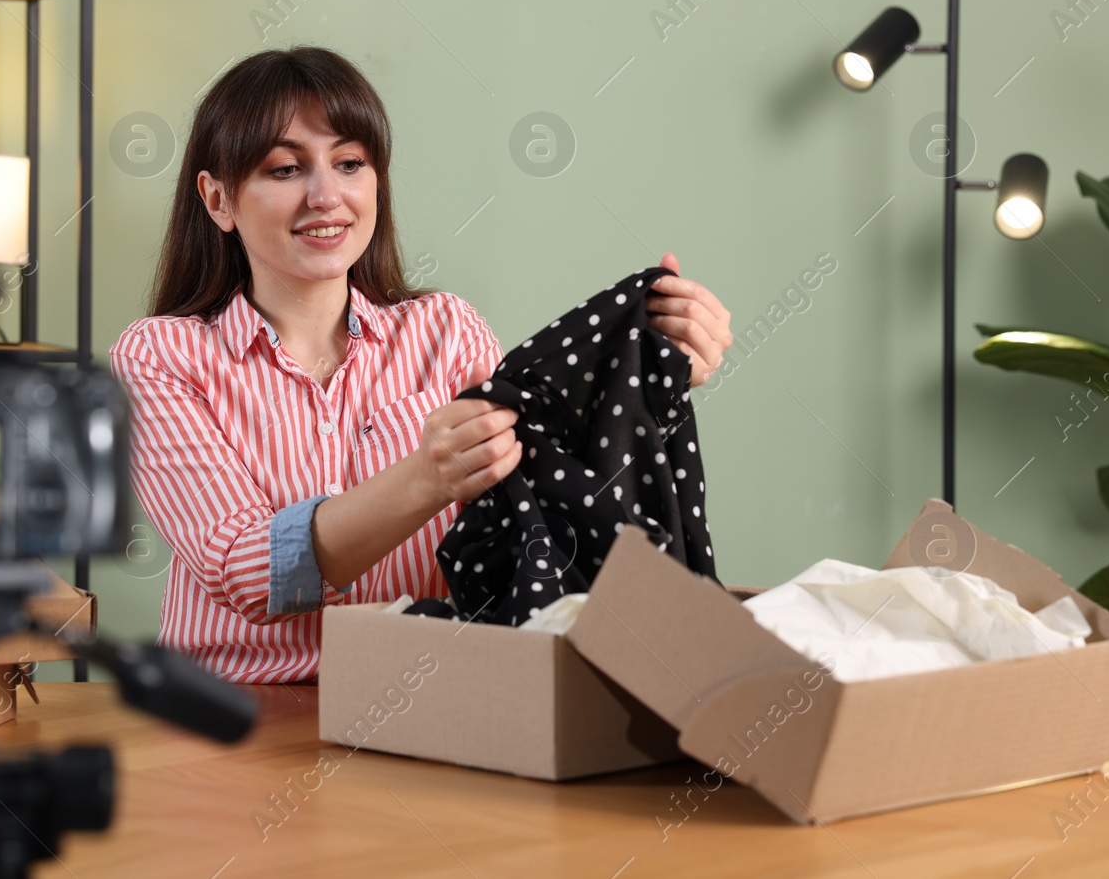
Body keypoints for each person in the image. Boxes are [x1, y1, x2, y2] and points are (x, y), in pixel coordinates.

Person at [108, 47, 734, 684]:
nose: (326, 196)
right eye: (285, 169)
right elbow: (248, 572)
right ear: (218, 200)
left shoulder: (447, 332)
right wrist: (425, 478)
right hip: (240, 718)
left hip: (424, 702)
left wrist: (648, 382)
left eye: (350, 163)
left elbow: (534, 500)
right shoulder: (161, 357)